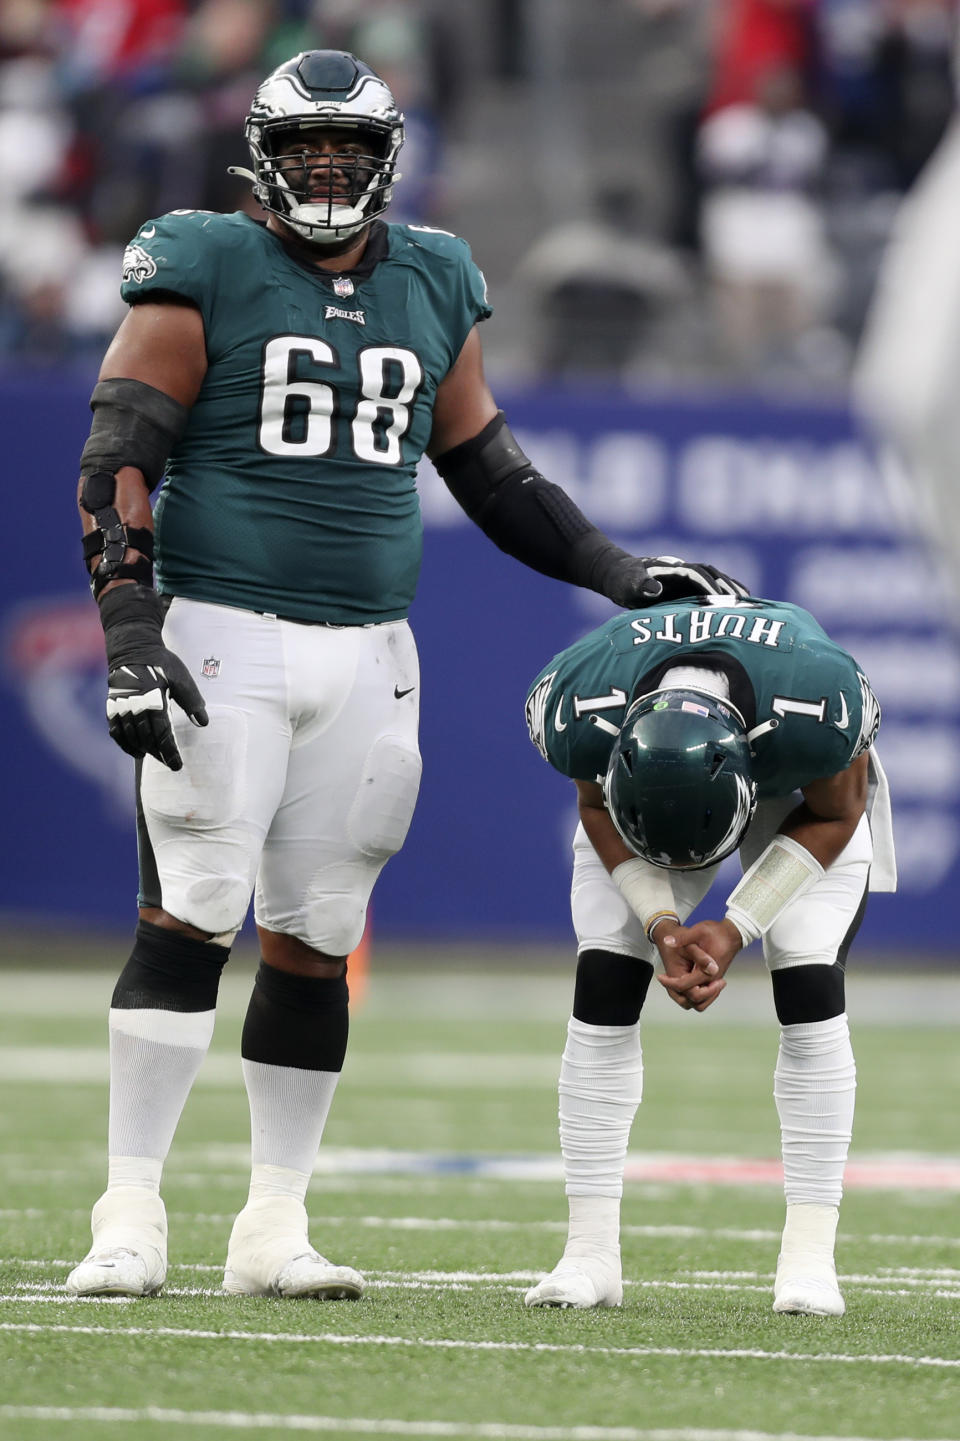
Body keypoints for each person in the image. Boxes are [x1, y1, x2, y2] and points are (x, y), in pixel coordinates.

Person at [66, 49, 745, 1302]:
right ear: (262, 157)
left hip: (374, 646)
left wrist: (617, 570)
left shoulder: (436, 275)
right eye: (307, 146)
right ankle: (131, 1209)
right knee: (194, 910)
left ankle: (274, 1222)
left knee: (319, 935)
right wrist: (127, 624)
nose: (328, 168)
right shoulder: (204, 258)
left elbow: (489, 468)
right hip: (224, 627)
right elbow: (120, 451)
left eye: (350, 149)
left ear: (387, 161)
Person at [523, 592, 895, 1315]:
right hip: (653, 782)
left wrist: (737, 924)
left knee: (808, 979)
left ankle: (810, 1258)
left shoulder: (815, 702)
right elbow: (597, 803)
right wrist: (661, 921)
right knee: (605, 973)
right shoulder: (586, 703)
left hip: (799, 801)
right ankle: (589, 1253)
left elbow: (839, 811)